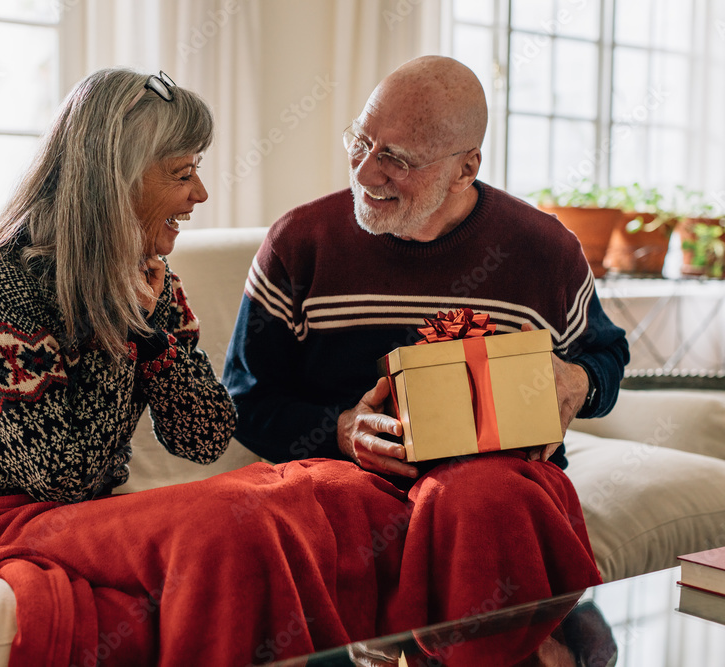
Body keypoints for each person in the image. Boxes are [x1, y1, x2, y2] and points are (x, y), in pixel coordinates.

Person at [0, 68, 413, 666]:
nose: (199, 194)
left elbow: (205, 436)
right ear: (115, 183)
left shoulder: (147, 277)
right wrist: (131, 331)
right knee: (227, 525)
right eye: (182, 173)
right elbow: (64, 476)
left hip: (81, 514)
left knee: (319, 488)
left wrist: (153, 338)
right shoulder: (3, 289)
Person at [223, 55, 626, 628]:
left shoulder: (544, 251)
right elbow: (243, 399)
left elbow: (607, 357)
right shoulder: (300, 243)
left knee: (477, 499)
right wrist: (341, 430)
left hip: (496, 492)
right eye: (361, 141)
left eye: (397, 159)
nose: (365, 172)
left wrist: (578, 380)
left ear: (466, 169)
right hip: (348, 483)